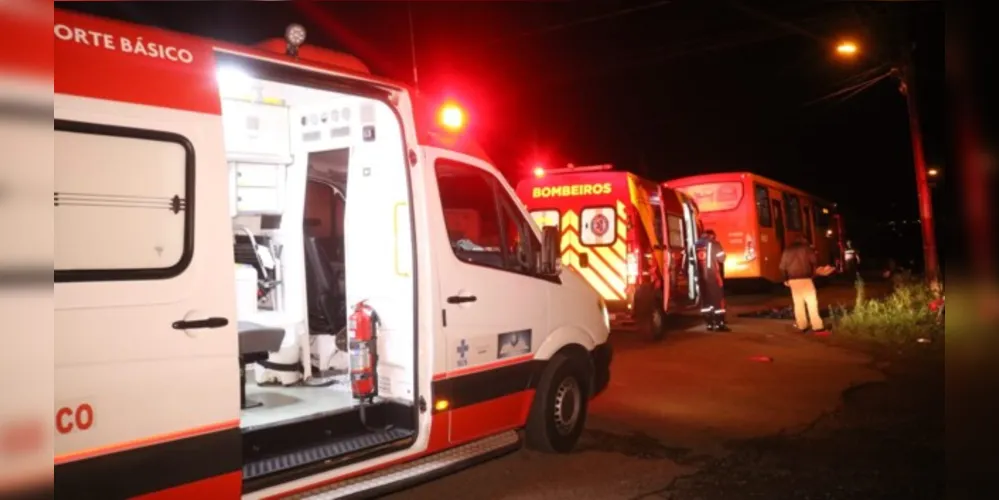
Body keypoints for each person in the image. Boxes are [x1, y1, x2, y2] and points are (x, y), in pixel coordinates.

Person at [779, 236, 826, 333]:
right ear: (805, 242)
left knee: (798, 304)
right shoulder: (807, 249)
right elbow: (814, 261)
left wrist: (785, 279)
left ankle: (802, 325)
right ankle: (817, 326)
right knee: (812, 302)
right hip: (806, 279)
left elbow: (782, 267)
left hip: (793, 281)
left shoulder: (787, 250)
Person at [695, 229, 729, 332]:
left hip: (700, 277)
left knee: (706, 302)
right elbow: (722, 259)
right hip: (713, 276)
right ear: (712, 236)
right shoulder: (714, 244)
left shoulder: (695, 244)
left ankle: (709, 323)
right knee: (718, 301)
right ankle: (720, 324)